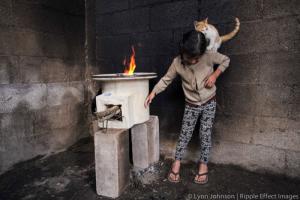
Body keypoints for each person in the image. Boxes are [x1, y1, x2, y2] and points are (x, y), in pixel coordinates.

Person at [144, 30, 230, 184]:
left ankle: (203, 165)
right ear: (183, 51)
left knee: (205, 135)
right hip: (191, 105)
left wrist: (214, 75)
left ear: (202, 53)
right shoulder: (177, 62)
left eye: (197, 59)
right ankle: (176, 163)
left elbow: (226, 60)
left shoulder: (209, 56)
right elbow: (166, 79)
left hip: (209, 102)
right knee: (185, 135)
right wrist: (153, 93)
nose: (193, 61)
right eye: (190, 58)